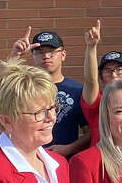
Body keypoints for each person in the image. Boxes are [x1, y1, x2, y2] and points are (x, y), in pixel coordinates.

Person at [23, 30, 89, 158]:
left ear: (63, 55)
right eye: (40, 52)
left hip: (66, 163)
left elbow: (91, 132)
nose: (46, 56)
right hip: (29, 159)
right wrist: (15, 55)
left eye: (51, 51)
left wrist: (68, 149)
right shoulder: (25, 89)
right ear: (33, 56)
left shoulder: (78, 90)